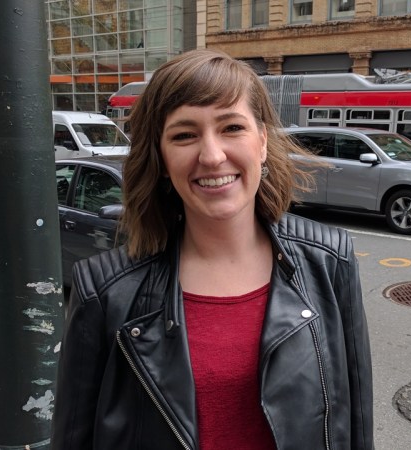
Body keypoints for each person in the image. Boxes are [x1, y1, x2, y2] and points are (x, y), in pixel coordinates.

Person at [52, 49, 374, 449]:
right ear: (162, 158)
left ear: (261, 141)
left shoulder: (330, 260)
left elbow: (355, 421)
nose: (212, 155)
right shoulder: (106, 291)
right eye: (184, 135)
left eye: (232, 127)